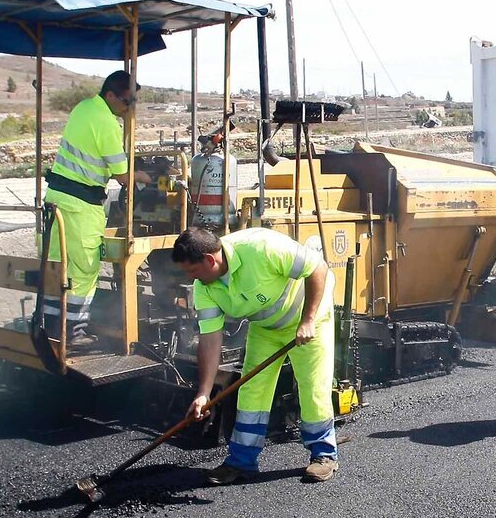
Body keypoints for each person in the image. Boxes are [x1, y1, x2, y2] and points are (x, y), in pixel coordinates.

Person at [173, 226, 339, 484]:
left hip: (308, 320)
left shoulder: (262, 247)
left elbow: (318, 268)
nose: (191, 277)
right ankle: (242, 461)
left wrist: (307, 320)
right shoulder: (204, 288)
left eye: (192, 270)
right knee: (252, 390)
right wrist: (203, 393)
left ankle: (324, 455)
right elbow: (210, 339)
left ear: (209, 260)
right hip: (266, 328)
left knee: (313, 386)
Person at [41, 70, 149, 347]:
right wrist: (146, 176)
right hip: (81, 205)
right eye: (127, 102)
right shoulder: (106, 122)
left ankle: (50, 325)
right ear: (111, 95)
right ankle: (73, 332)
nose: (129, 108)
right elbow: (123, 176)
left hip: (56, 198)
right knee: (84, 268)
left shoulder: (83, 108)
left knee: (56, 265)